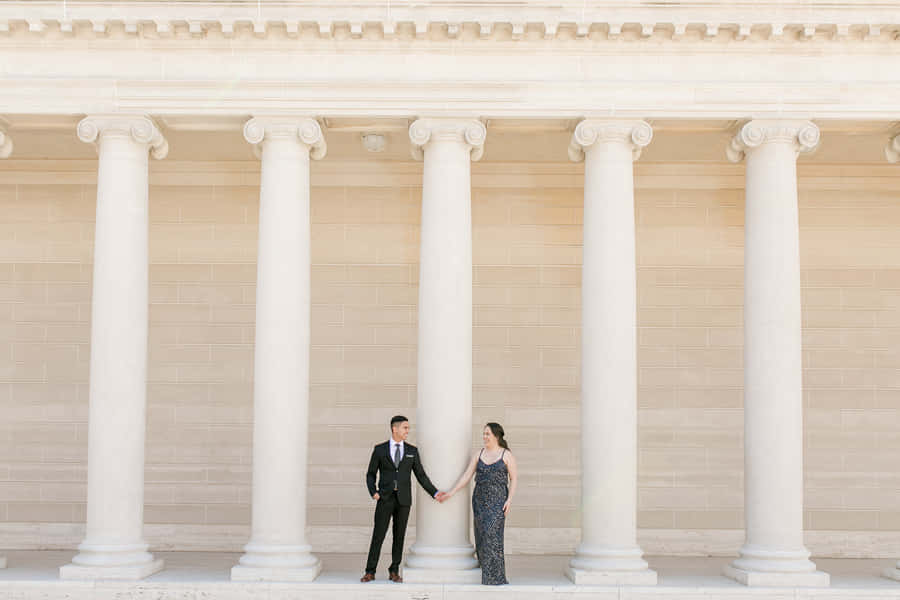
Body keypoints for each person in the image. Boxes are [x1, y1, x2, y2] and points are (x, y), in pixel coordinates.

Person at [362, 415, 447, 583]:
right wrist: (374, 492)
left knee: (399, 535)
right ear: (395, 429)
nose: (408, 430)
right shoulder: (379, 450)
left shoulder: (411, 451)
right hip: (385, 498)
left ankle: (394, 570)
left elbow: (421, 475)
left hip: (404, 500)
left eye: (408, 428)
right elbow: (370, 474)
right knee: (378, 535)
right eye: (405, 427)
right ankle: (370, 571)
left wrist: (435, 493)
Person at [440, 422, 518, 585]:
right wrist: (451, 492)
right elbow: (467, 476)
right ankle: (486, 570)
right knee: (481, 535)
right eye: (484, 433)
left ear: (496, 436)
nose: (484, 436)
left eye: (487, 433)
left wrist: (509, 500)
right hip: (479, 499)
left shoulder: (506, 455)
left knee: (492, 535)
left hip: (498, 500)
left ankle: (495, 576)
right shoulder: (479, 454)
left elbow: (514, 479)